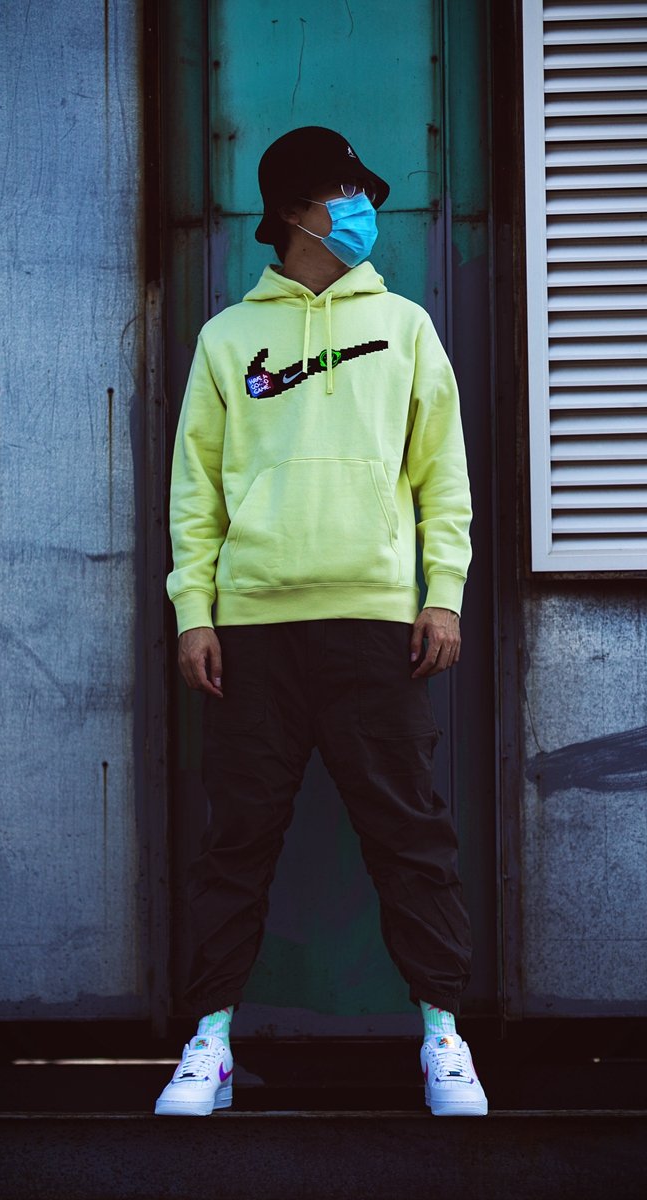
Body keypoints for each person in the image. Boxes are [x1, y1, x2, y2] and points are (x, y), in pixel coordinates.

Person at [154, 126, 487, 1118]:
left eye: (361, 190)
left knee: (411, 835)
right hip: (251, 634)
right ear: (292, 212)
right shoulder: (227, 340)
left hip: (376, 629)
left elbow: (442, 476)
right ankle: (210, 1043)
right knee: (236, 842)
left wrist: (442, 592)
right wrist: (194, 611)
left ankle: (443, 1037)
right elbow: (195, 495)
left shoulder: (407, 328)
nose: (359, 208)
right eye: (340, 190)